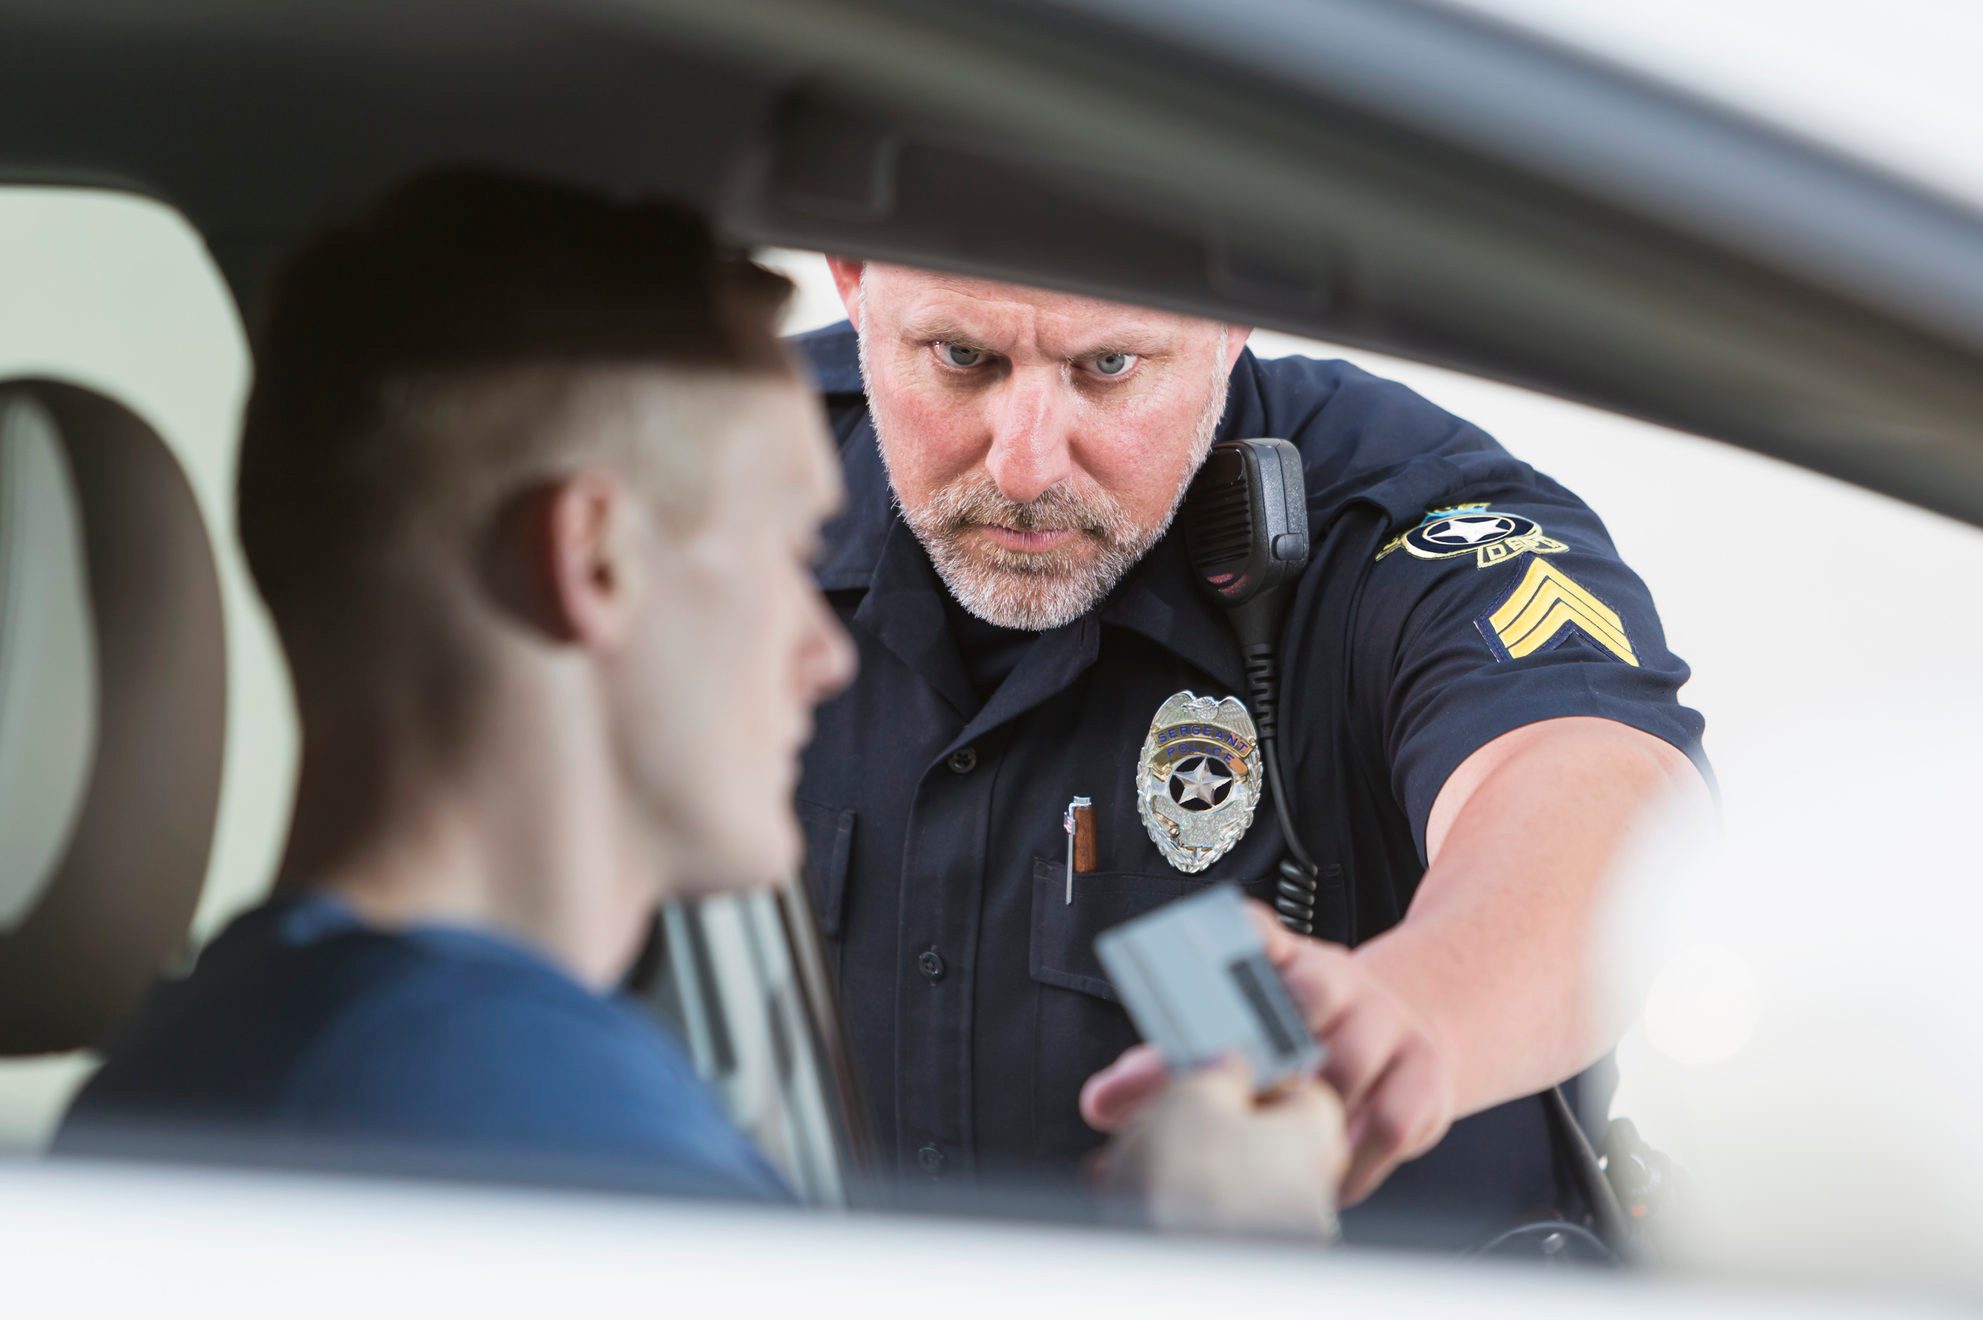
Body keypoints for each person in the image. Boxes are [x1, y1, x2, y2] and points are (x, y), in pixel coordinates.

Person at [57, 171, 1346, 1231]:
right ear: (594, 563)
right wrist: (1226, 1254)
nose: (824, 654)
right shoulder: (535, 1138)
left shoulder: (207, 1065)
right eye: (786, 549)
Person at [790, 260, 1714, 1247]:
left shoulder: (1397, 513)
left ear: (1233, 315)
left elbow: (1603, 799)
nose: (1026, 466)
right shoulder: (725, 461)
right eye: (962, 357)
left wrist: (1405, 1020)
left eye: (1108, 366)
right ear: (851, 278)